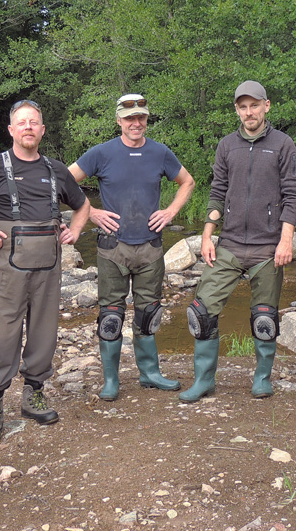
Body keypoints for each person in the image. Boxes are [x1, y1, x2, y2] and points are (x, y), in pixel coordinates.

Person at [0, 99, 89, 444]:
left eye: (34, 122)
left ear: (42, 130)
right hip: (7, 267)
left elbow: (83, 206)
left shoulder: (58, 170)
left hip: (49, 266)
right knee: (4, 335)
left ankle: (33, 394)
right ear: (11, 130)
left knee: (45, 332)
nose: (28, 127)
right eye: (22, 122)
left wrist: (76, 230)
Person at [179, 81, 296, 403]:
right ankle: (204, 380)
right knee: (201, 311)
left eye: (254, 105)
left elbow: (292, 195)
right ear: (237, 109)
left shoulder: (283, 144)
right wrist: (207, 234)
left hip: (267, 247)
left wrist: (286, 240)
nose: (249, 112)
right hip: (230, 244)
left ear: (266, 106)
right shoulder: (226, 146)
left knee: (264, 318)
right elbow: (218, 191)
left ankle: (262, 379)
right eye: (242, 106)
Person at [68, 94, 195, 401]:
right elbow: (64, 181)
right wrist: (92, 213)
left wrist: (170, 212)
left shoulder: (160, 152)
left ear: (146, 120)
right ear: (119, 121)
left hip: (150, 247)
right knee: (111, 317)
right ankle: (111, 380)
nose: (136, 123)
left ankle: (149, 373)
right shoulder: (101, 153)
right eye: (129, 119)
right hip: (113, 249)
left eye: (141, 118)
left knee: (148, 313)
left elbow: (188, 182)